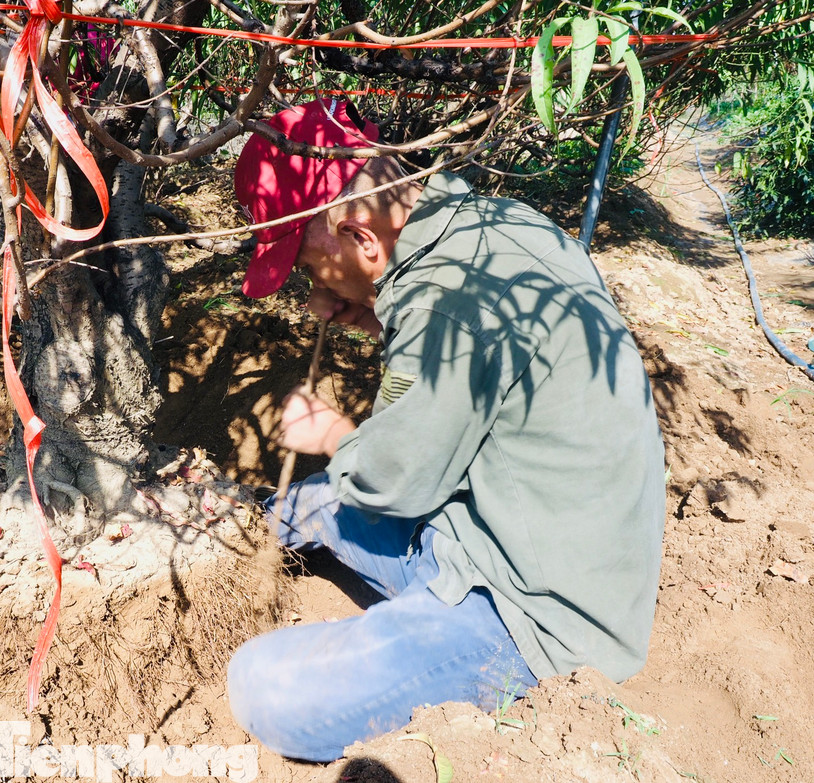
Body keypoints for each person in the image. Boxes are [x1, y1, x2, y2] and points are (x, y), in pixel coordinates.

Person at [224, 99, 666, 762]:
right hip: (525, 535)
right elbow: (457, 392)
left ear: (361, 238)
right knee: (315, 501)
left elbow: (394, 478)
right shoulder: (492, 226)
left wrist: (333, 434)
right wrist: (379, 320)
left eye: (311, 267)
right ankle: (240, 526)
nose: (313, 286)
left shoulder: (443, 308)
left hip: (536, 614)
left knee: (265, 687)